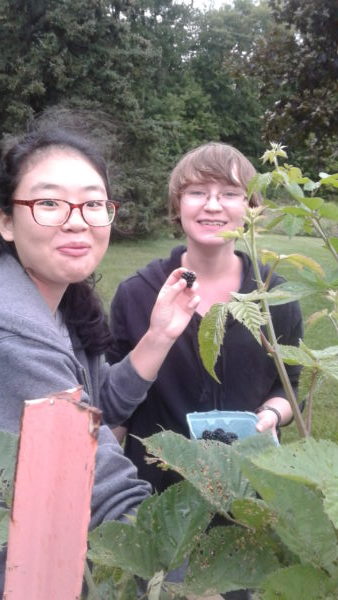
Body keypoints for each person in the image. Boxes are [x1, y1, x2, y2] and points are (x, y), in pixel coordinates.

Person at [0, 116, 201, 594]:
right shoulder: (16, 332)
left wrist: (158, 336)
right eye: (48, 202)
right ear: (6, 220)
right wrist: (187, 580)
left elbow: (93, 408)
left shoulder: (58, 303)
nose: (76, 220)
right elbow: (99, 489)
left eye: (93, 203)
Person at [107, 142, 303, 495]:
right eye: (197, 192)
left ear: (251, 207)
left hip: (249, 490)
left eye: (230, 193)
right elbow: (115, 406)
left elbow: (287, 386)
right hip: (157, 493)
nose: (212, 205)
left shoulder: (276, 296)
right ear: (177, 204)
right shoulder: (136, 294)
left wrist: (271, 415)